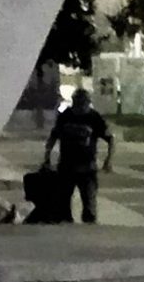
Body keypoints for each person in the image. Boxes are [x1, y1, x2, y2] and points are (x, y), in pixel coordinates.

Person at [41, 87, 115, 224]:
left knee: (89, 204)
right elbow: (53, 137)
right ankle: (68, 224)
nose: (80, 107)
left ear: (88, 103)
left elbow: (110, 139)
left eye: (83, 104)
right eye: (77, 103)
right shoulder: (66, 115)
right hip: (66, 166)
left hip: (87, 168)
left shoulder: (94, 117)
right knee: (63, 204)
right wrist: (47, 157)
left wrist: (108, 159)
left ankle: (88, 224)